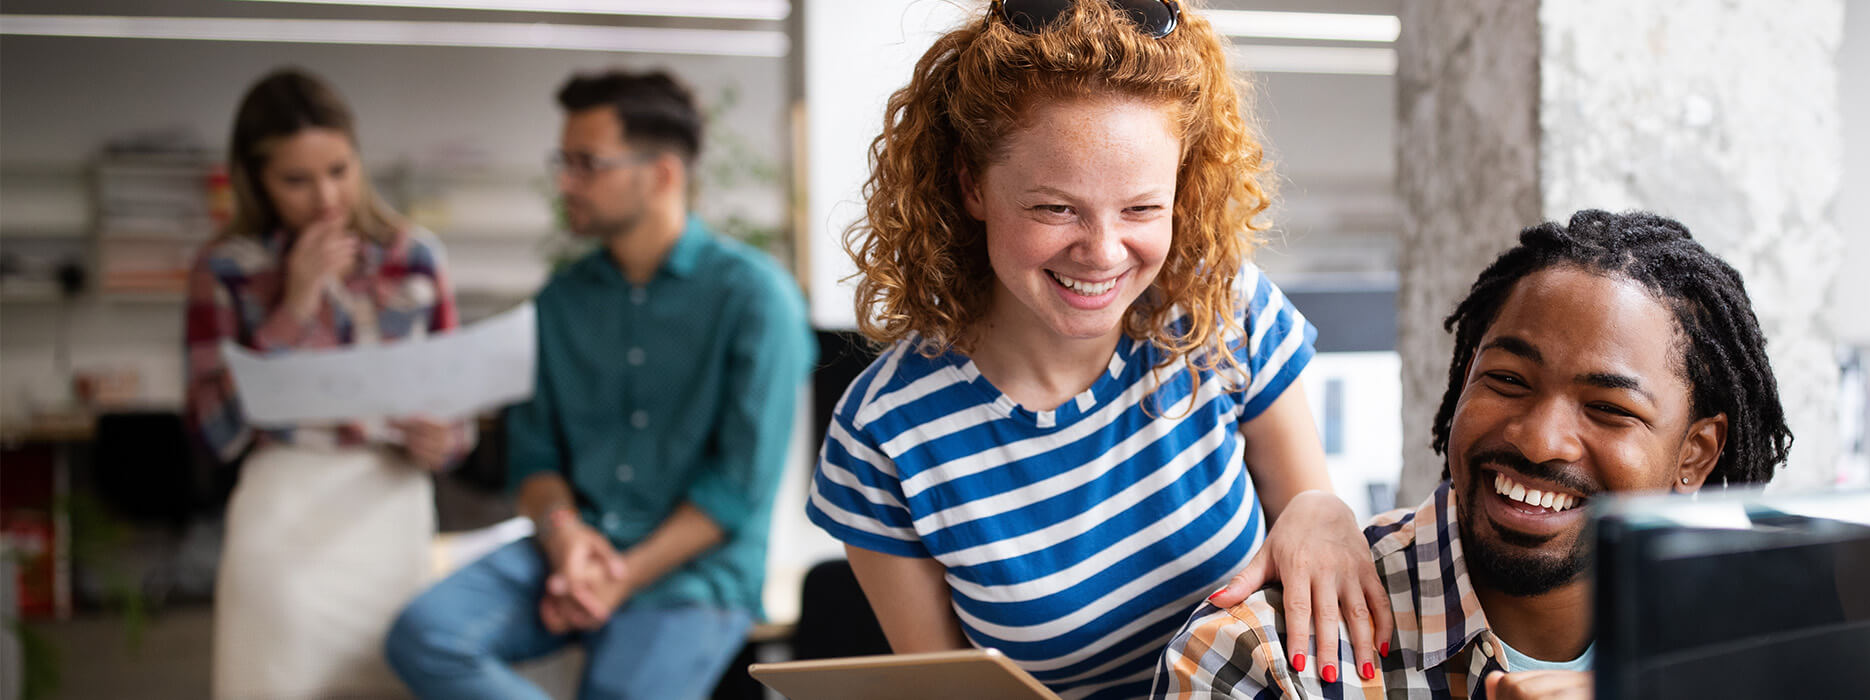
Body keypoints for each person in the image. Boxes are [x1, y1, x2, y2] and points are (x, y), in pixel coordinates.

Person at [805, 2, 1394, 697]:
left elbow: (1309, 522)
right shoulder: (884, 436)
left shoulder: (1224, 312)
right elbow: (950, 692)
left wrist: (1322, 514)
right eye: (1055, 208)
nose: (1104, 253)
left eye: (1142, 209)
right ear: (972, 186)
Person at [1154, 210, 1794, 699]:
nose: (1540, 440)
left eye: (1608, 409)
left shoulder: (1756, 646)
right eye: (1508, 380)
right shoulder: (1257, 656)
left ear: (1696, 455)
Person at [383, 69, 814, 700]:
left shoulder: (754, 297)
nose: (564, 182)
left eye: (587, 163)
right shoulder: (559, 303)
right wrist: (565, 538)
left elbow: (738, 488)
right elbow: (533, 459)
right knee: (425, 636)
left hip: (692, 573)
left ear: (664, 172)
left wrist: (620, 575)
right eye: (564, 161)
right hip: (568, 551)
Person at [184, 67, 472, 699]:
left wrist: (443, 442)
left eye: (339, 170)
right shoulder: (224, 268)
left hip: (389, 511)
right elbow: (214, 435)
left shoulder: (415, 255)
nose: (326, 198)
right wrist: (294, 303)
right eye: (297, 179)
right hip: (283, 512)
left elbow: (458, 416)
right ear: (256, 178)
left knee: (389, 678)